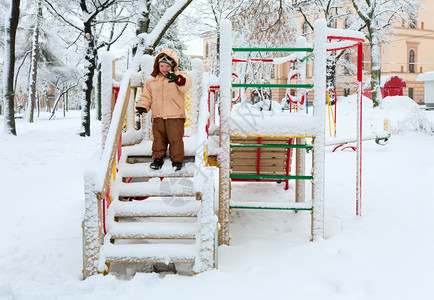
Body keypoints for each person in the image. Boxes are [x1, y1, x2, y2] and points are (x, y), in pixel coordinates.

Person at [136, 48, 192, 171]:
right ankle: (158, 158)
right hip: (158, 117)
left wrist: (177, 80)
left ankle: (177, 161)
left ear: (173, 66)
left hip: (175, 117)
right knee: (158, 139)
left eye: (167, 66)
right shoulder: (152, 81)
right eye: (162, 66)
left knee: (175, 139)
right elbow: (147, 95)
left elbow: (185, 85)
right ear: (157, 66)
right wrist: (142, 106)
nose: (164, 69)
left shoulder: (179, 77)